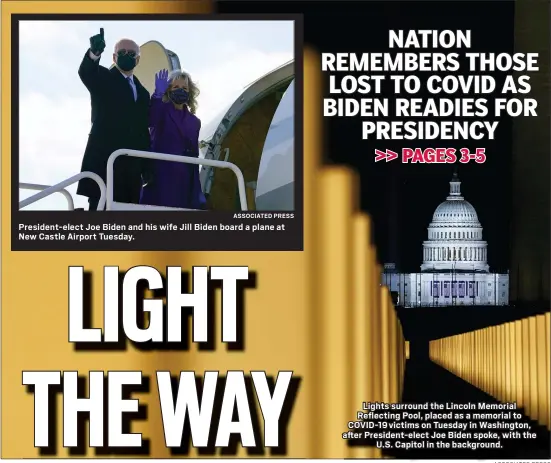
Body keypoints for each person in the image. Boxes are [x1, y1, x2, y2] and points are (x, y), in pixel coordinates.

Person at [77, 28, 151, 210]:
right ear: (114, 57)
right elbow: (87, 72)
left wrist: (147, 167)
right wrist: (94, 53)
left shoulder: (143, 93)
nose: (127, 56)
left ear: (138, 59)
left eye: (131, 53)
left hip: (131, 170)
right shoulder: (103, 78)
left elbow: (143, 130)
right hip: (104, 164)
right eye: (122, 53)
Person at [140, 69, 207, 210]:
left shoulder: (194, 121)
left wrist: (196, 187)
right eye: (175, 87)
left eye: (184, 88)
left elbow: (194, 154)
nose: (180, 90)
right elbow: (150, 120)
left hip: (183, 177)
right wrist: (157, 95)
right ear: (168, 90)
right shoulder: (162, 111)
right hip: (160, 175)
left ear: (190, 92)